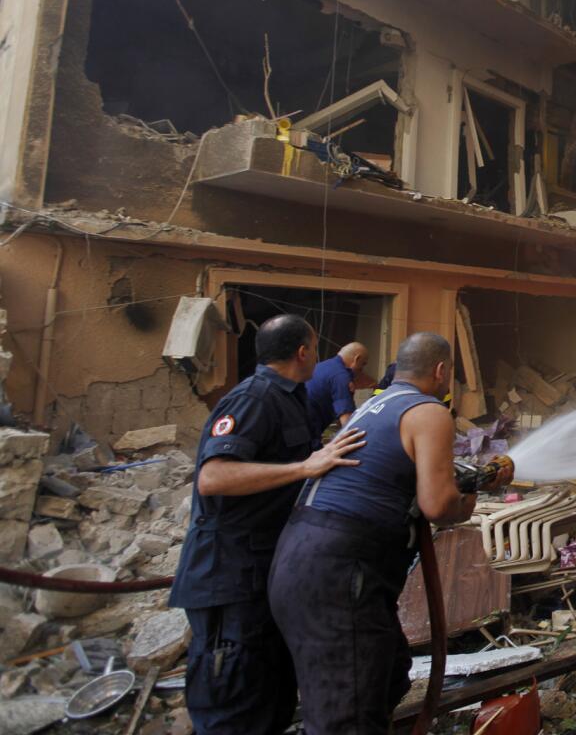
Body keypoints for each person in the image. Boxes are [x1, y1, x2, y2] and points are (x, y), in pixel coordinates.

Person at [168, 314, 367, 735]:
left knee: (268, 700)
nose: (317, 354)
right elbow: (213, 476)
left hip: (262, 573)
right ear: (302, 352)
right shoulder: (254, 398)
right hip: (229, 578)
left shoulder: (290, 396)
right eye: (315, 347)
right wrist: (303, 468)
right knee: (234, 706)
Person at [269, 332, 475, 733]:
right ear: (441, 370)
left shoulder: (373, 404)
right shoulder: (429, 411)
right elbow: (437, 506)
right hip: (341, 570)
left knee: (388, 672)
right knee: (349, 712)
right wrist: (464, 503)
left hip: (298, 555)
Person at [304, 341, 368, 441]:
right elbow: (347, 423)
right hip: (309, 433)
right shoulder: (341, 377)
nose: (362, 370)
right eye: (363, 364)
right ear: (357, 359)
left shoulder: (322, 366)